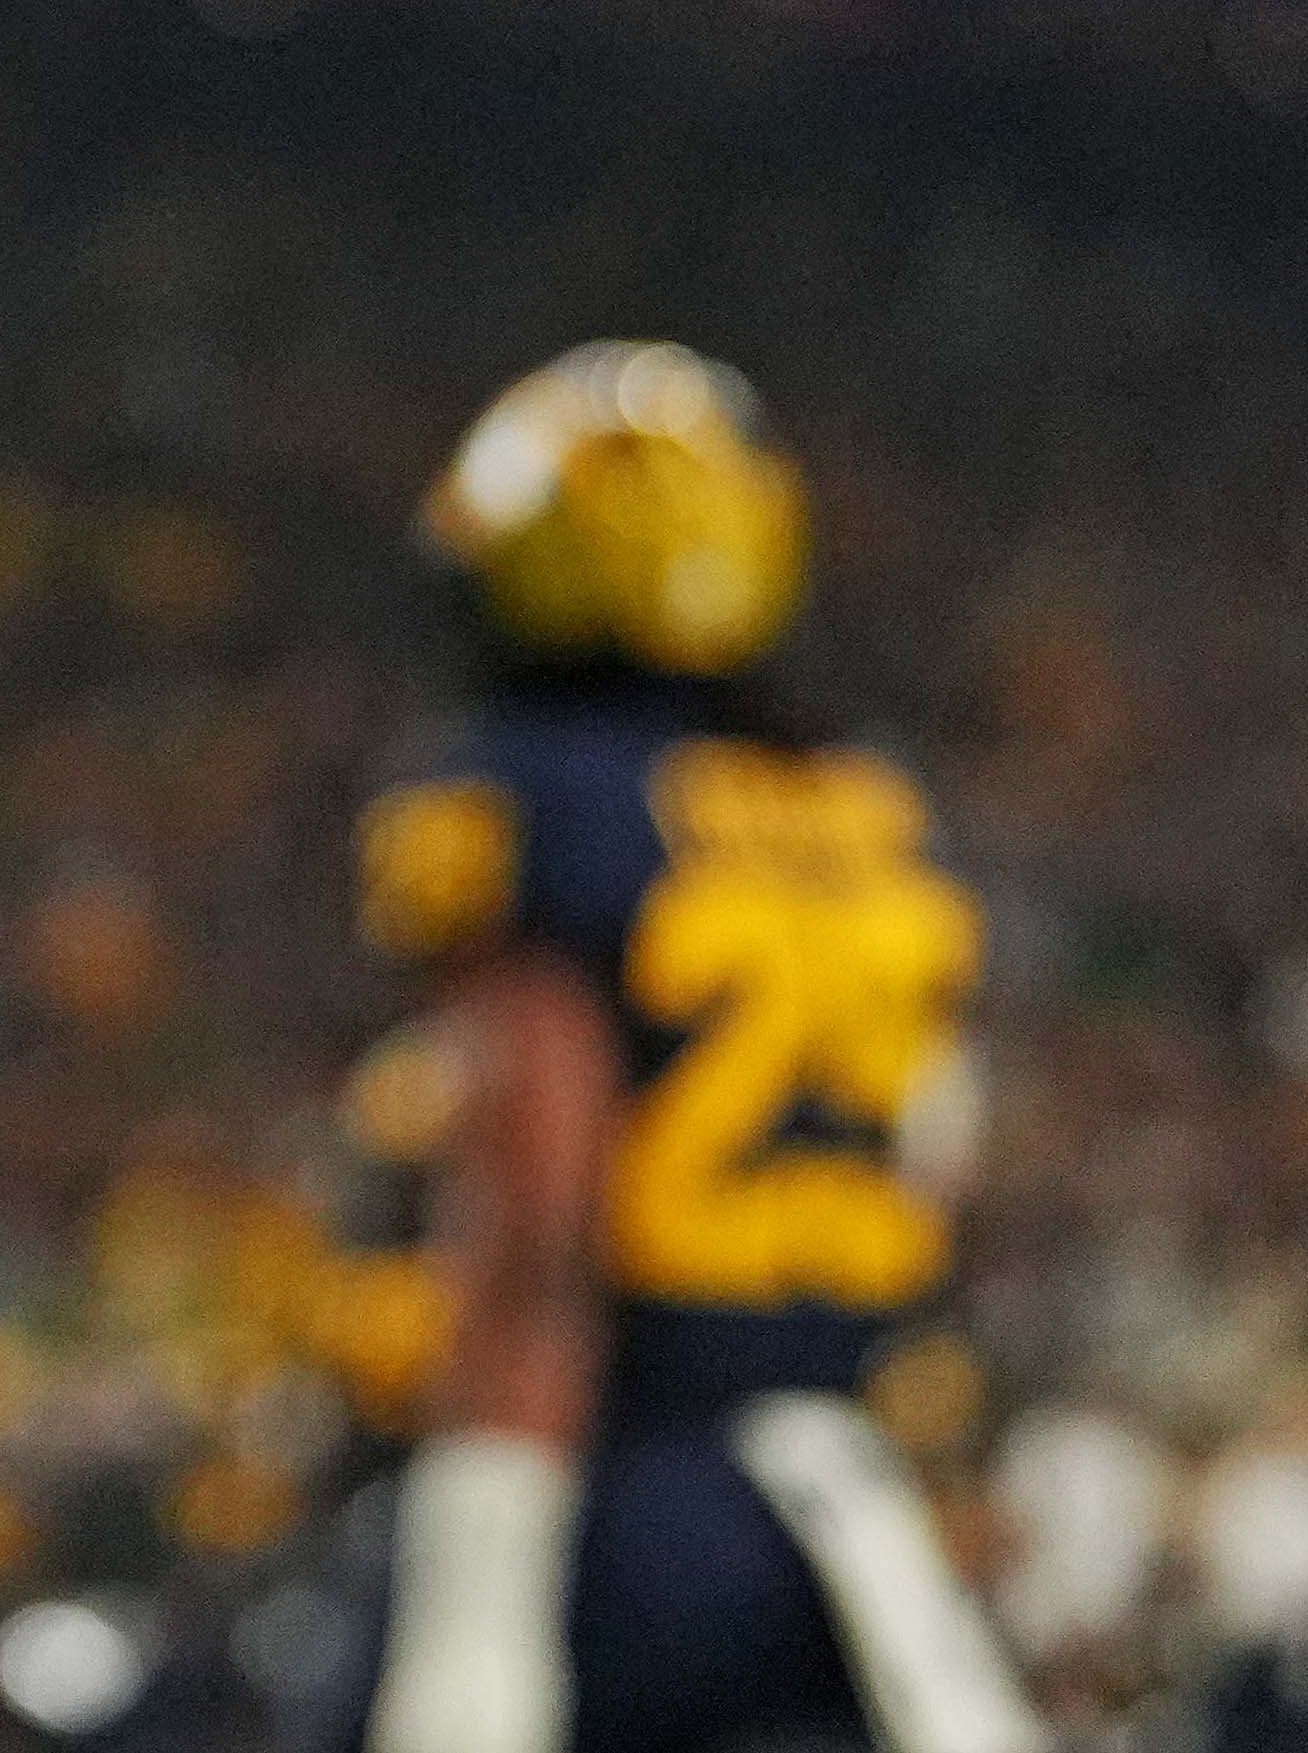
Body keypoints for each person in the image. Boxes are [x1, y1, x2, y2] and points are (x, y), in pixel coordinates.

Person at [352, 344, 1033, 1753]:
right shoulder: (870, 811)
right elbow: (938, 1156)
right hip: (829, 1519)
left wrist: (475, 1595)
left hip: (614, 1505)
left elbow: (536, 1235)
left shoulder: (536, 796)